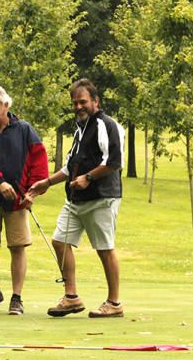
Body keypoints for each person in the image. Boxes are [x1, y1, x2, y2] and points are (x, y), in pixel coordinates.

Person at [28, 79, 126, 318]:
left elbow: (113, 162)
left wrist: (88, 178)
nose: (78, 106)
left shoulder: (106, 125)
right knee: (60, 241)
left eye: (83, 102)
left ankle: (114, 303)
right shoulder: (80, 129)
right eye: (75, 103)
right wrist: (46, 183)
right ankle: (71, 297)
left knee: (104, 248)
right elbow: (70, 165)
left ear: (95, 101)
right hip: (76, 200)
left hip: (101, 198)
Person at [0, 84, 49, 315]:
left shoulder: (25, 130)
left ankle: (17, 297)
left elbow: (38, 162)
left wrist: (33, 191)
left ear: (6, 105)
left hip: (17, 202)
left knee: (18, 247)